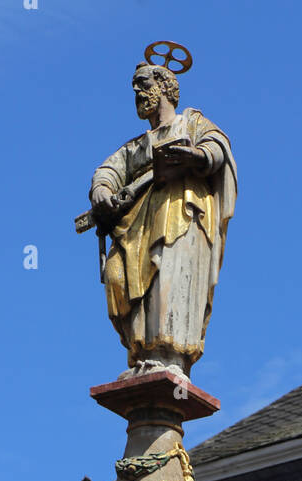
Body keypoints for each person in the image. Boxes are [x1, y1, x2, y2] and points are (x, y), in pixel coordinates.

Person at [89, 60, 237, 377]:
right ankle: (141, 350)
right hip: (135, 225)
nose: (137, 93)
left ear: (164, 87)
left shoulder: (191, 123)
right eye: (134, 88)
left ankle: (169, 356)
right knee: (116, 276)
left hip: (180, 209)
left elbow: (218, 147)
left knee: (168, 280)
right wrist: (102, 189)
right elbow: (109, 170)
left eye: (143, 85)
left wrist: (196, 156)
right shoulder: (136, 145)